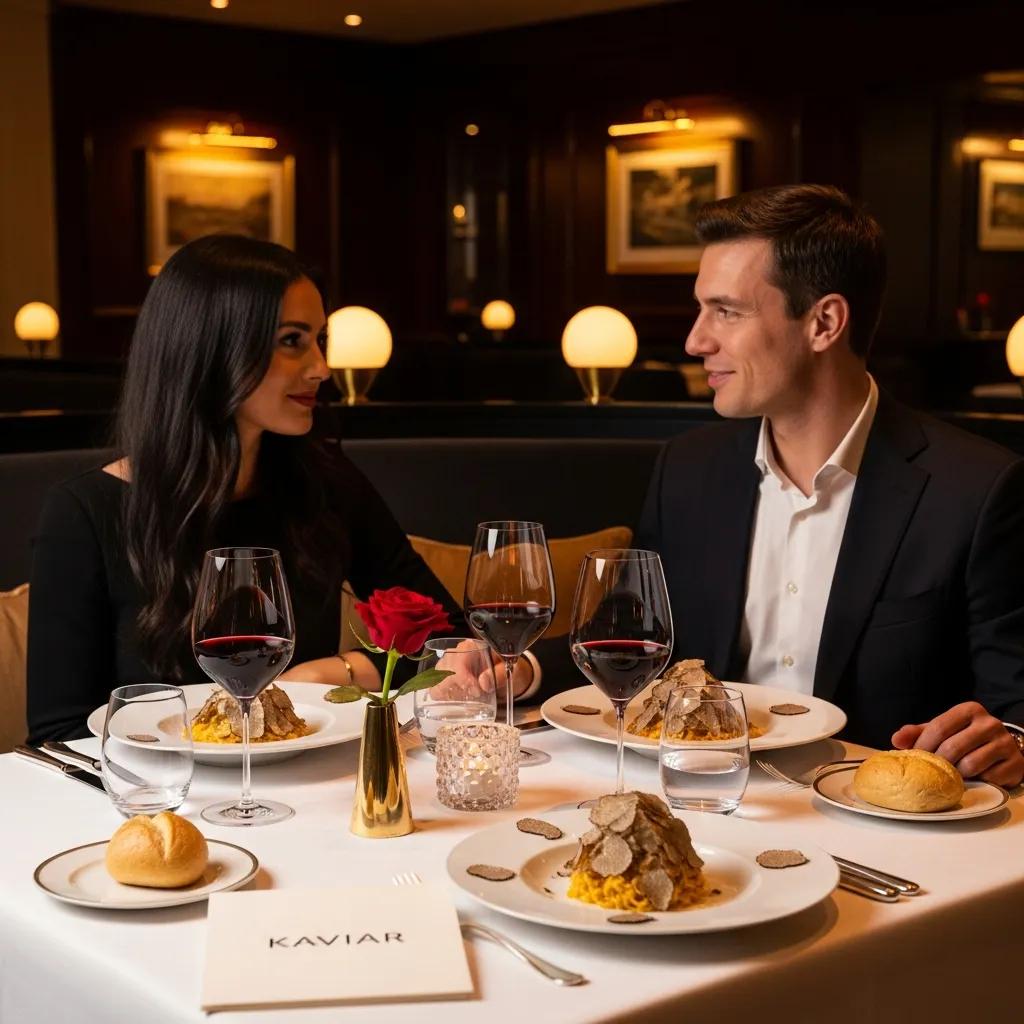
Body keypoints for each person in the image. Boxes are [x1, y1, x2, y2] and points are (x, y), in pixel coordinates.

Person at [26, 235, 533, 742]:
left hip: (309, 794)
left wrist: (322, 674)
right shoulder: (84, 513)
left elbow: (447, 646)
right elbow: (60, 732)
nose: (321, 367)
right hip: (157, 801)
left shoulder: (324, 481)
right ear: (210, 347)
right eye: (292, 340)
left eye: (319, 339)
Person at [636, 183, 1024, 786]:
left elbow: (1015, 706)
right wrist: (516, 665)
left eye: (726, 311)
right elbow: (631, 644)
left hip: (884, 838)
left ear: (824, 322)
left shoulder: (978, 490)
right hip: (699, 804)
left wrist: (1007, 742)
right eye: (700, 309)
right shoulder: (686, 469)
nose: (695, 341)